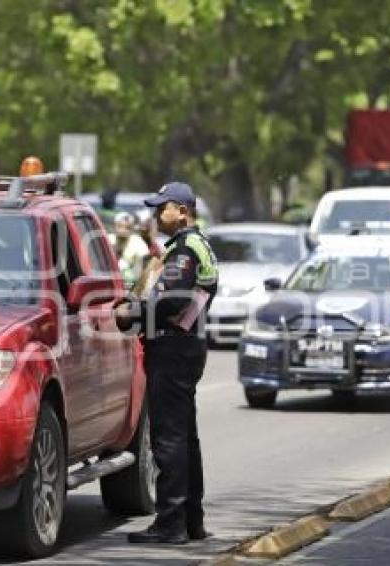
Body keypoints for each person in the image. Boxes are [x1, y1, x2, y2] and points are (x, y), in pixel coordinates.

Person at [115, 181, 218, 544]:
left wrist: (132, 313)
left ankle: (171, 523)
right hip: (183, 347)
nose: (157, 215)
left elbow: (172, 301)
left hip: (174, 350)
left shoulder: (186, 249)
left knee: (169, 439)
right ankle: (191, 521)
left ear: (183, 211)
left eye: (163, 208)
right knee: (185, 438)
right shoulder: (189, 246)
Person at [109, 211, 149, 288]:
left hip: (129, 284)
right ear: (114, 226)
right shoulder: (108, 240)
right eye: (120, 226)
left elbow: (145, 262)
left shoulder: (137, 242)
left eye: (127, 227)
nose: (123, 230)